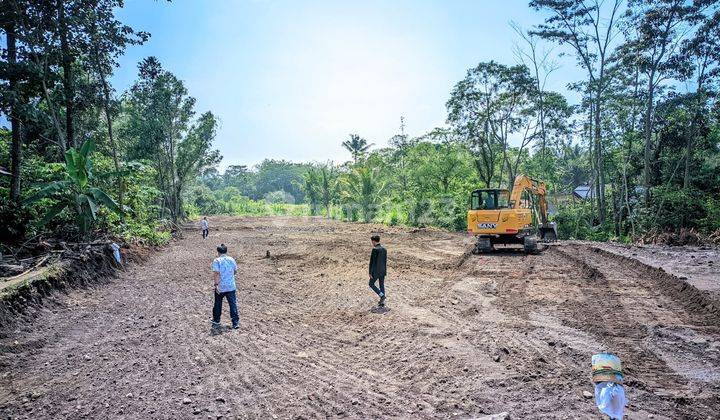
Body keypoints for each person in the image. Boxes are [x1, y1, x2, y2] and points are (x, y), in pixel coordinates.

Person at [211, 243, 239, 329]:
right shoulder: (231, 259)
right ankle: (235, 323)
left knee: (218, 303)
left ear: (218, 252)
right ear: (226, 251)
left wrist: (216, 285)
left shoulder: (217, 261)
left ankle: (216, 320)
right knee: (233, 304)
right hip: (231, 286)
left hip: (221, 286)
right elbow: (235, 271)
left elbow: (216, 273)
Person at [368, 235, 387, 307]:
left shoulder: (375, 249)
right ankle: (382, 302)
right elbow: (384, 261)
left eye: (372, 241)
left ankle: (381, 296)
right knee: (381, 285)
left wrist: (370, 272)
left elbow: (372, 262)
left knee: (371, 284)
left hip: (375, 271)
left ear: (373, 241)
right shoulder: (384, 249)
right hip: (383, 270)